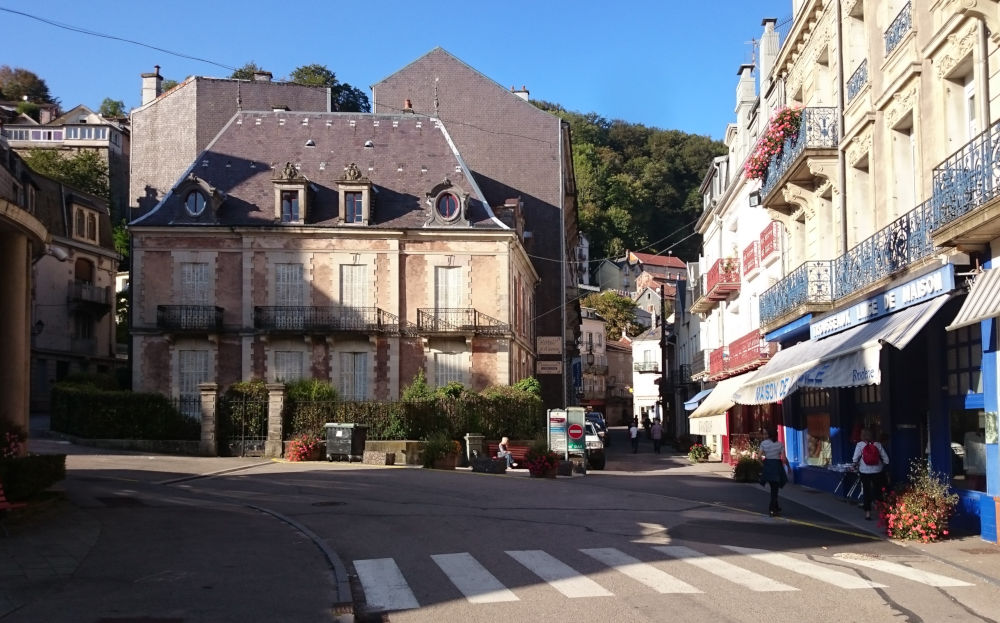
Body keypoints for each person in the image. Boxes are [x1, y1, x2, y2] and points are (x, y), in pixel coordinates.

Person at [852, 428, 890, 520]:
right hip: (877, 471)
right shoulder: (877, 444)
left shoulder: (860, 445)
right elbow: (886, 460)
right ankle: (882, 512)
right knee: (879, 491)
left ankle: (868, 514)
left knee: (866, 492)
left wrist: (856, 464)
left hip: (864, 472)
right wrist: (881, 465)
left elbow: (855, 459)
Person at [759, 427, 790, 517]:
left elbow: (759, 456)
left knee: (773, 488)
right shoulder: (780, 444)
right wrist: (788, 467)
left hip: (768, 465)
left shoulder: (763, 444)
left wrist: (763, 465)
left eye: (765, 434)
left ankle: (776, 507)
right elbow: (783, 458)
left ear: (769, 434)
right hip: (776, 466)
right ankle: (772, 509)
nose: (764, 435)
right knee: (774, 489)